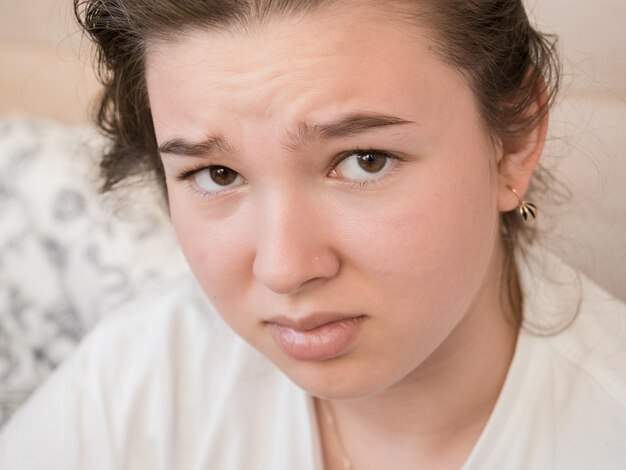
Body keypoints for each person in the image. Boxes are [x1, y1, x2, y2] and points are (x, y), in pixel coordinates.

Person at [1, 0, 625, 468]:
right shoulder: (136, 384)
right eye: (217, 174)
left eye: (364, 160)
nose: (284, 267)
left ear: (513, 143)